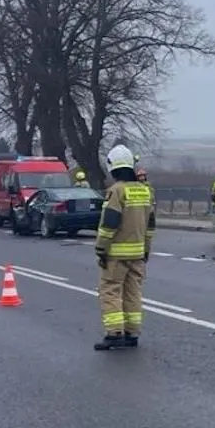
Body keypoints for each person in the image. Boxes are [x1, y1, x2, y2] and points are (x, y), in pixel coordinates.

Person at [94, 145, 156, 350]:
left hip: (116, 255)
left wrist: (101, 249)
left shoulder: (116, 191)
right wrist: (146, 249)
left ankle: (114, 334)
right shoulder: (144, 191)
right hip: (138, 254)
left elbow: (109, 223)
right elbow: (150, 226)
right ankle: (132, 333)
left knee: (111, 292)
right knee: (133, 293)